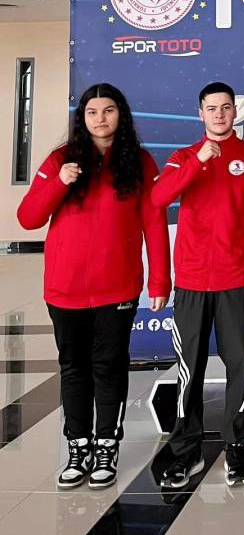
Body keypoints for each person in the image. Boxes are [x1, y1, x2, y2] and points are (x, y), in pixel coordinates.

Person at [17, 83, 170, 489]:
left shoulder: (139, 161)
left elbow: (154, 223)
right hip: (64, 288)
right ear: (82, 118)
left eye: (108, 110)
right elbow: (28, 218)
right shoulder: (61, 159)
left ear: (121, 115)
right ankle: (77, 445)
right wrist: (59, 182)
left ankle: (106, 446)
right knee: (74, 367)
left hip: (117, 288)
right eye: (92, 112)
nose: (100, 119)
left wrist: (160, 280)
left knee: (109, 366)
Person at [152, 82, 244, 488]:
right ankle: (186, 449)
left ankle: (236, 445)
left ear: (234, 112)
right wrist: (198, 162)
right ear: (201, 113)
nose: (220, 114)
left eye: (226, 107)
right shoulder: (183, 157)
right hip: (192, 280)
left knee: (238, 365)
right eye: (212, 109)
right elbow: (159, 197)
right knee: (189, 368)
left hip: (235, 278)